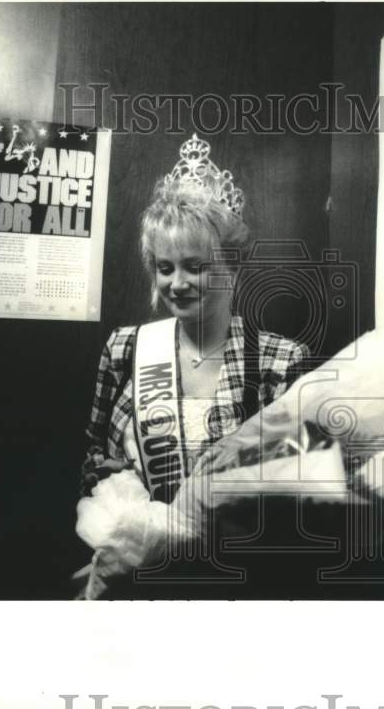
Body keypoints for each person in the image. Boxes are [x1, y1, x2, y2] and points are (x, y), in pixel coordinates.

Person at [80, 134, 311, 509]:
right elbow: (93, 455)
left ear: (233, 267)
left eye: (195, 266)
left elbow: (299, 494)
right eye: (165, 268)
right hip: (139, 559)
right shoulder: (124, 349)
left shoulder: (280, 361)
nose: (177, 283)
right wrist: (104, 479)